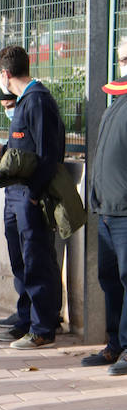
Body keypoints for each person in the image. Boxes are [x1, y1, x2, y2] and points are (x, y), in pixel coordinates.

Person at [0, 45, 67, 349]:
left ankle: (43, 328)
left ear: (5, 74)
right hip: (14, 193)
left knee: (36, 260)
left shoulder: (38, 101)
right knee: (21, 261)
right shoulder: (24, 101)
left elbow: (47, 154)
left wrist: (34, 195)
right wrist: (0, 156)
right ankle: (26, 319)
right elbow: (23, 153)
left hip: (29, 196)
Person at [85, 41, 127, 374]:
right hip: (107, 212)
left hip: (125, 212)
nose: (122, 64)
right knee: (109, 280)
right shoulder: (116, 104)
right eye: (121, 59)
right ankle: (114, 344)